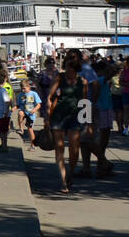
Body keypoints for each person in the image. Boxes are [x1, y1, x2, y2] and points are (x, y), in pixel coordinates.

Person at [46, 53, 87, 192]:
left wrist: (88, 122)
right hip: (59, 115)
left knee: (74, 149)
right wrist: (47, 115)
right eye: (68, 68)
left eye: (72, 68)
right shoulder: (59, 78)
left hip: (75, 116)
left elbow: (85, 102)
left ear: (76, 69)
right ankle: (63, 180)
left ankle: (71, 173)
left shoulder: (83, 82)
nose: (69, 71)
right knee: (59, 147)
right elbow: (49, 97)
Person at [16, 77, 42, 149]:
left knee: (30, 129)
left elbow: (39, 104)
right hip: (24, 112)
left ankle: (33, 145)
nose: (23, 90)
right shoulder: (21, 95)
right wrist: (14, 108)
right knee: (20, 113)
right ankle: (21, 128)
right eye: (22, 88)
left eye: (24, 88)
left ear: (28, 87)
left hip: (31, 114)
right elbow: (18, 105)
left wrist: (34, 110)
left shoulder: (34, 94)